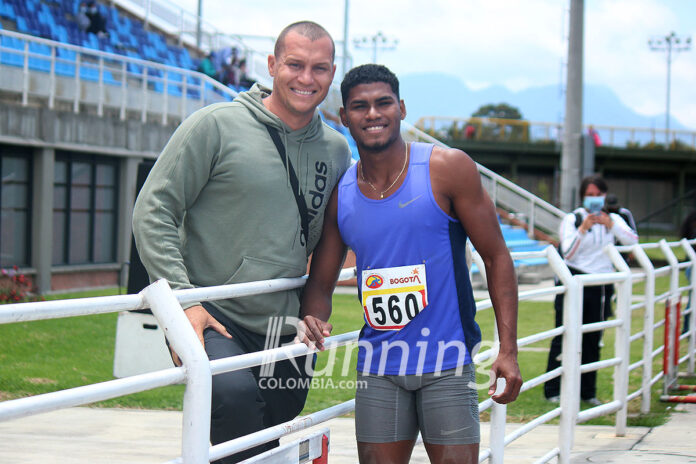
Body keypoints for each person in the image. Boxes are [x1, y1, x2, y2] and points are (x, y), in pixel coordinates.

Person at [132, 21, 351, 463]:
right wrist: (184, 300)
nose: (306, 78)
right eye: (294, 64)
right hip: (213, 316)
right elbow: (153, 210)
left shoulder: (336, 149)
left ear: (332, 75)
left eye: (320, 68)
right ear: (272, 65)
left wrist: (314, 311)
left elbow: (330, 238)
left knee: (267, 438)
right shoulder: (215, 125)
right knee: (232, 403)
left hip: (284, 327)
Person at [297, 64, 522, 464]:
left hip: (447, 362)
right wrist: (315, 317)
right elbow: (320, 283)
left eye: (383, 103)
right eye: (359, 107)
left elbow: (497, 256)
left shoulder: (446, 168)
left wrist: (508, 349)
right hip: (378, 368)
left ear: (401, 108)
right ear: (344, 117)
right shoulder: (342, 194)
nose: (373, 114)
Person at [544, 175, 638, 405]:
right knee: (564, 334)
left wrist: (612, 225)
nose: (595, 199)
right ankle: (552, 390)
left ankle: (588, 392)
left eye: (599, 195)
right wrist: (583, 229)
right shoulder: (572, 219)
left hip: (600, 284)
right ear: (583, 196)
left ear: (605, 196)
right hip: (574, 281)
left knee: (593, 337)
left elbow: (632, 242)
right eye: (591, 195)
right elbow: (567, 253)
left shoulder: (613, 218)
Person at [680, 211, 696, 333]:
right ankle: (687, 329)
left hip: (691, 260)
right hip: (692, 262)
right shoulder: (692, 216)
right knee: (693, 297)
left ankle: (687, 329)